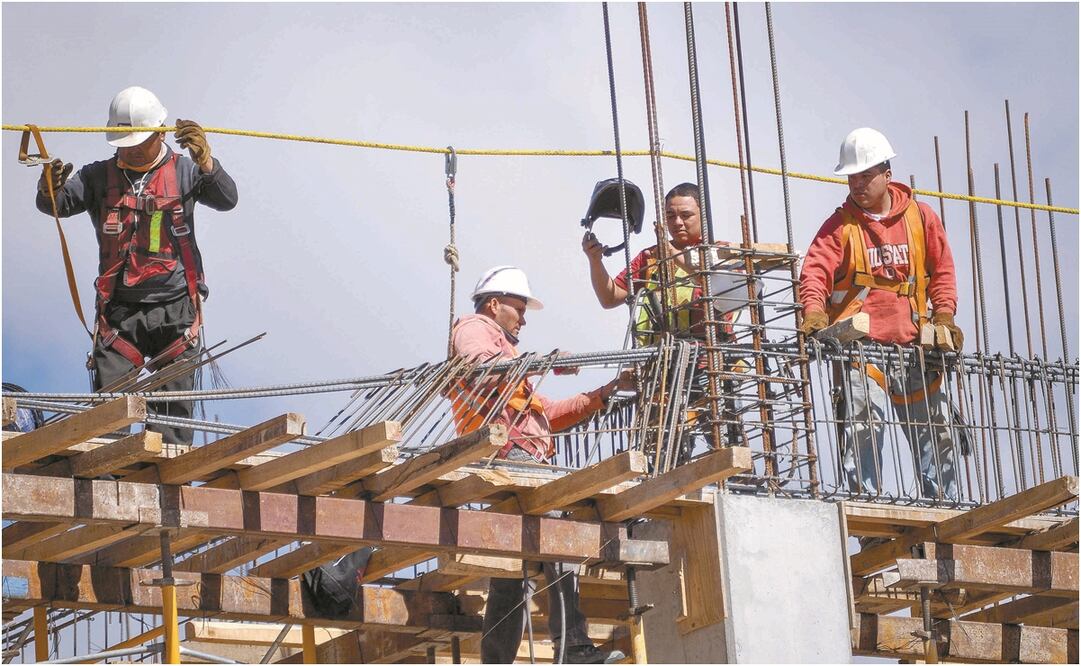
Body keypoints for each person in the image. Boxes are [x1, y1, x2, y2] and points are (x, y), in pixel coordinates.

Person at [34, 86, 238, 444]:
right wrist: (48, 188)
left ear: (160, 133)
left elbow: (227, 199)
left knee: (172, 431)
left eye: (138, 142)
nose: (129, 150)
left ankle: (169, 475)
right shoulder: (98, 177)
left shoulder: (185, 172)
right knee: (107, 422)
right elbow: (56, 205)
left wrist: (207, 163)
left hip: (175, 312)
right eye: (123, 144)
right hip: (119, 316)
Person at [449, 265, 629, 664]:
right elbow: (480, 367)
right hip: (504, 454)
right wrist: (547, 363)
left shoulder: (508, 355)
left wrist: (603, 394)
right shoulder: (475, 328)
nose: (524, 319)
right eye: (518, 308)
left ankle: (497, 661)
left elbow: (547, 412)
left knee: (512, 570)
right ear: (494, 305)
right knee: (557, 537)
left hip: (516, 456)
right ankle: (573, 647)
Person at [798, 127, 967, 501]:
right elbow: (814, 271)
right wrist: (814, 312)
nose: (857, 184)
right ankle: (868, 506)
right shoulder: (841, 226)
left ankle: (945, 505)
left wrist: (944, 316)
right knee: (862, 428)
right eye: (852, 177)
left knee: (936, 432)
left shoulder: (920, 218)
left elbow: (942, 270)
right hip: (863, 350)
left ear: (887, 175)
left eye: (865, 175)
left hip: (915, 347)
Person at [583, 182, 734, 345]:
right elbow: (609, 298)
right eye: (670, 216)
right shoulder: (651, 257)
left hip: (707, 355)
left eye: (686, 215)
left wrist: (671, 253)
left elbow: (712, 283)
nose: (677, 222)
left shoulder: (721, 252)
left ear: (703, 216)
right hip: (658, 356)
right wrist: (595, 260)